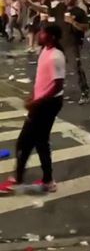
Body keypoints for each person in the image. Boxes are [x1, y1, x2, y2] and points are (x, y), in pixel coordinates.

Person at [0, 24, 65, 194]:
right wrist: (33, 95)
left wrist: (37, 102)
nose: (39, 34)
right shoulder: (44, 51)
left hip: (47, 105)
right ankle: (48, 181)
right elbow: (44, 79)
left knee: (24, 142)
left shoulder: (56, 57)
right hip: (42, 102)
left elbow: (57, 85)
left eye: (42, 32)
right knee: (41, 141)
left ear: (51, 36)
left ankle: (18, 179)